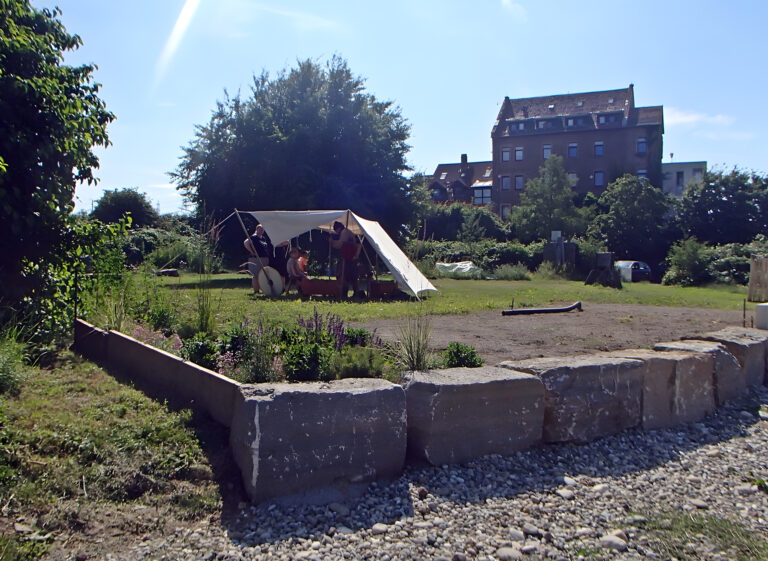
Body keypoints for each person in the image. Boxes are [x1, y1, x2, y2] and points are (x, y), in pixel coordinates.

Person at [330, 220, 361, 297]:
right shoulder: (346, 232)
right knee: (350, 276)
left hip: (349, 258)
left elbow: (340, 244)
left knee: (345, 275)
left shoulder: (345, 232)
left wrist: (332, 242)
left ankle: (345, 292)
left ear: (338, 228)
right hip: (348, 257)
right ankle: (352, 292)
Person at [242, 224, 271, 293]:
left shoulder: (263, 238)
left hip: (264, 257)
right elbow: (246, 243)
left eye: (262, 229)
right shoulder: (253, 237)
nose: (261, 231)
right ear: (257, 229)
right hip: (256, 258)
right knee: (256, 275)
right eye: (260, 229)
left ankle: (263, 289)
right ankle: (256, 290)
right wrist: (252, 252)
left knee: (263, 274)